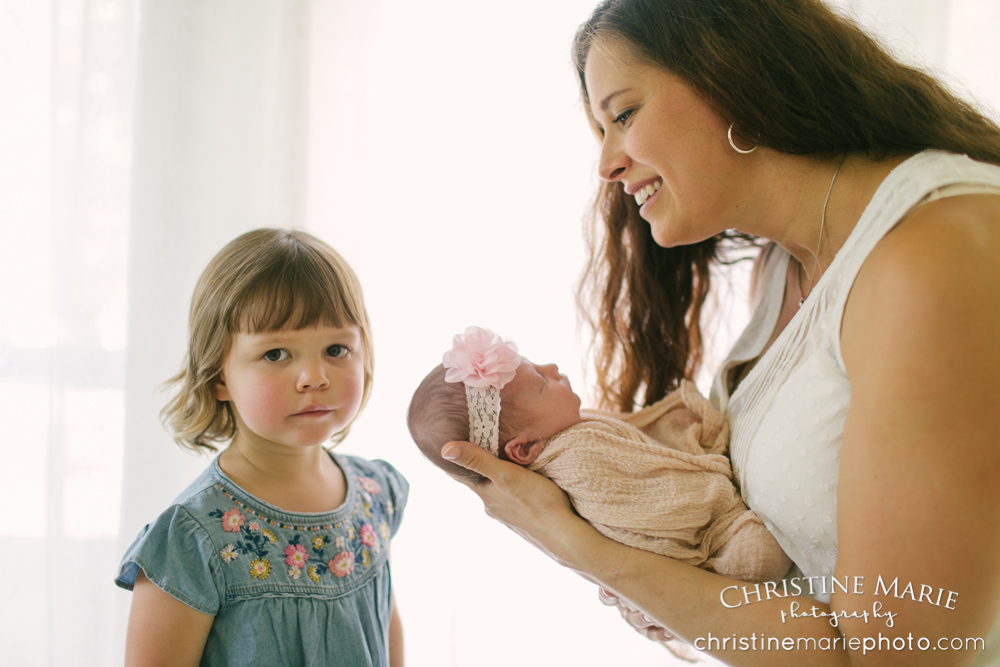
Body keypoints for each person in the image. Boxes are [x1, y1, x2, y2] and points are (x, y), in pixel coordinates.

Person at [438, 0, 1000, 664]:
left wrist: (577, 546)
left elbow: (896, 655)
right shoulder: (785, 264)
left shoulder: (933, 257)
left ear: (730, 76)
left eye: (623, 114)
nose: (607, 164)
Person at [115, 229, 408, 667]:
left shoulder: (374, 491)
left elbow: (385, 629)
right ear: (218, 376)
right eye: (275, 354)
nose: (314, 376)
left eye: (336, 348)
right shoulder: (193, 538)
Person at [408, 326, 792, 583]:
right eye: (542, 381)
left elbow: (637, 448)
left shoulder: (565, 432)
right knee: (761, 555)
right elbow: (652, 505)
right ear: (524, 449)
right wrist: (709, 491)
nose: (553, 368)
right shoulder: (577, 461)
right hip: (709, 540)